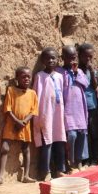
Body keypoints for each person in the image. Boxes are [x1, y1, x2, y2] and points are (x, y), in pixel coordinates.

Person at [0, 67, 38, 186]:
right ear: (17, 78)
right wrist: (17, 121)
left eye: (28, 76)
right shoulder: (11, 90)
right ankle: (0, 176)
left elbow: (34, 111)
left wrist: (23, 122)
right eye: (23, 77)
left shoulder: (32, 93)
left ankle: (26, 175)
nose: (26, 79)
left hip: (25, 125)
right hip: (11, 124)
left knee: (26, 149)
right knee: (5, 148)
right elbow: (7, 109)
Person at [33, 47, 66, 180]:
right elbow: (37, 95)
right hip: (46, 112)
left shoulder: (59, 76)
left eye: (53, 58)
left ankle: (60, 169)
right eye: (48, 58)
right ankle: (45, 171)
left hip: (58, 112)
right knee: (47, 142)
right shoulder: (40, 76)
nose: (51, 60)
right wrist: (38, 115)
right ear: (43, 60)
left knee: (59, 140)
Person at [59, 45, 89, 172]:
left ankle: (79, 161)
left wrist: (76, 72)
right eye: (69, 58)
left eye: (74, 58)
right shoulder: (59, 72)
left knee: (81, 135)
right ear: (63, 58)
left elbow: (86, 84)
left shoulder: (79, 71)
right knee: (71, 135)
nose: (72, 61)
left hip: (80, 109)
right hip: (67, 109)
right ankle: (70, 160)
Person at [77, 43, 98, 165]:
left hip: (92, 105)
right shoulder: (76, 70)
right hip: (80, 107)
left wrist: (91, 71)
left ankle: (95, 158)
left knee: (94, 133)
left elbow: (96, 87)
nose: (88, 59)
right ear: (79, 56)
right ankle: (85, 159)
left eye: (90, 57)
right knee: (83, 134)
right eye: (85, 56)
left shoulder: (93, 71)